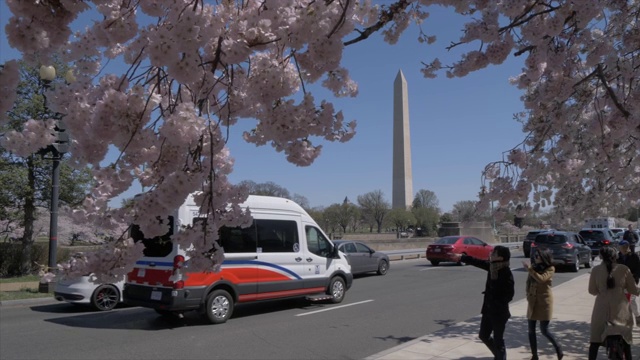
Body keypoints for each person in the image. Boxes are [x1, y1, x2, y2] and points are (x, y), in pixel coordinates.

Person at [453, 246, 514, 360]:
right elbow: (477, 261)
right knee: (483, 336)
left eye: (494, 253)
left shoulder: (506, 273)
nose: (491, 254)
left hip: (499, 313)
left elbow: (509, 295)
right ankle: (498, 355)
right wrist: (462, 257)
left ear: (500, 257)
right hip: (488, 310)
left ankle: (500, 357)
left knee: (498, 340)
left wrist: (496, 302)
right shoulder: (492, 267)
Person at [588, 246, 640, 360]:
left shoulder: (596, 270)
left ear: (601, 257)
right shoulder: (624, 269)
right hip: (621, 310)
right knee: (626, 343)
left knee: (595, 342)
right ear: (615, 256)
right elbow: (634, 290)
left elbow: (592, 291)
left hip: (601, 310)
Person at [523, 249, 563, 360]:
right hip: (532, 301)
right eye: (535, 256)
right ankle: (534, 355)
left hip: (544, 302)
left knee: (544, 330)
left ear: (544, 257)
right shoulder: (534, 268)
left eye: (538, 256)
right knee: (531, 330)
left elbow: (541, 279)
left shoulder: (550, 268)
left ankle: (558, 348)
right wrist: (527, 294)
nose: (536, 257)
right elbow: (528, 282)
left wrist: (530, 269)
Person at [617, 239, 640, 326]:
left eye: (625, 247)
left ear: (627, 247)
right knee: (623, 301)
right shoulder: (617, 257)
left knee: (632, 300)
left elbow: (638, 269)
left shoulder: (634, 256)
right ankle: (624, 320)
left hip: (632, 282)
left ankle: (637, 316)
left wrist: (634, 278)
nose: (623, 249)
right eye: (621, 247)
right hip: (621, 283)